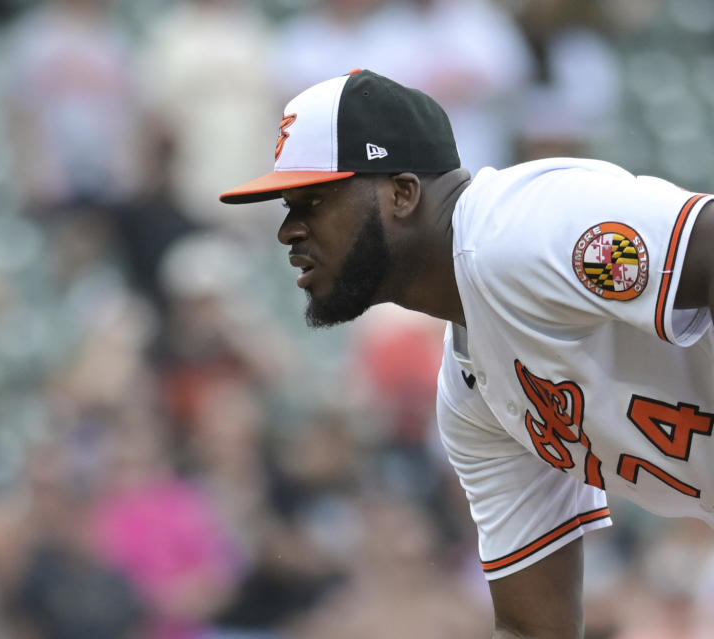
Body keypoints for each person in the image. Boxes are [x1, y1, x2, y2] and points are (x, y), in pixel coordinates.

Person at [218, 68, 714, 638]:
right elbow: (534, 628)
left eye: (313, 201)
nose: (288, 230)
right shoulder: (473, 395)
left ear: (402, 193)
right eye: (286, 205)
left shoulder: (520, 228)